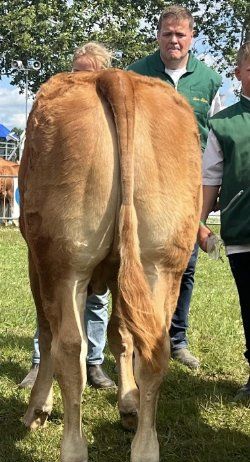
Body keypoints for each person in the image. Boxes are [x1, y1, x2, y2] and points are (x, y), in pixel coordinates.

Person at [127, 5, 222, 369]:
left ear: (192, 37)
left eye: (181, 34)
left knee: (185, 264)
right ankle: (135, 337)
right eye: (168, 33)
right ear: (158, 36)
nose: (174, 40)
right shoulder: (135, 74)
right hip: (143, 187)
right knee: (134, 260)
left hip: (186, 189)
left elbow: (214, 138)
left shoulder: (209, 81)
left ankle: (175, 337)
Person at [19, 42, 115, 390]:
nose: (79, 78)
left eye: (87, 72)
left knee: (99, 295)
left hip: (99, 214)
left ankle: (94, 363)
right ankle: (40, 362)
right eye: (76, 71)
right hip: (61, 213)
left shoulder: (112, 111)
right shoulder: (55, 109)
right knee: (49, 288)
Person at [198, 41, 250, 400]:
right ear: (238, 73)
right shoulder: (223, 123)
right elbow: (210, 179)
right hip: (243, 233)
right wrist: (196, 224)